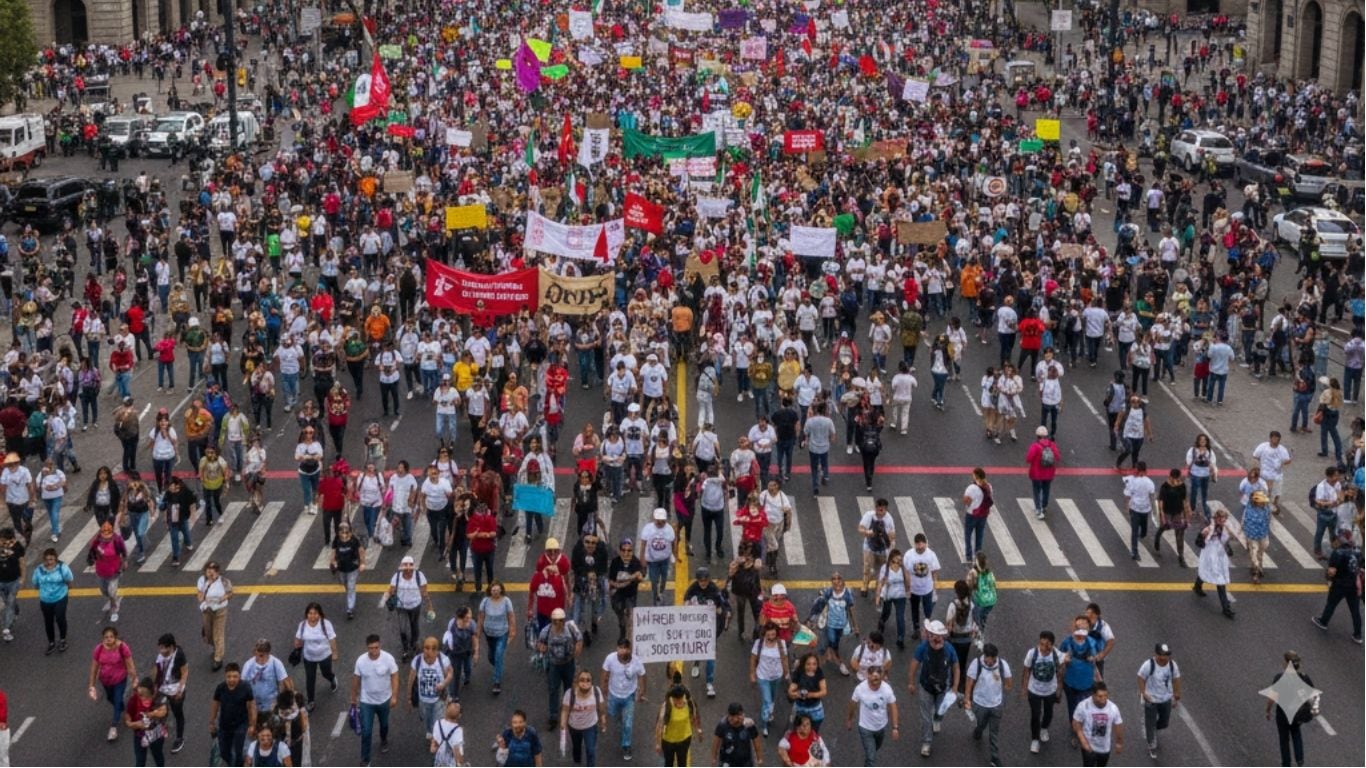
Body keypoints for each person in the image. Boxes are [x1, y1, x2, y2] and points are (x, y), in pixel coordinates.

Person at [907, 619, 957, 758]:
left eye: (938, 635)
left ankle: (937, 719)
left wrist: (955, 686)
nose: (935, 638)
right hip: (926, 687)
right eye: (932, 634)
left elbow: (956, 667)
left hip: (943, 687)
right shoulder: (922, 648)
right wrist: (911, 682)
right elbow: (913, 665)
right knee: (925, 717)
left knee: (940, 710)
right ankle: (927, 742)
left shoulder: (949, 649)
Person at [351, 634, 399, 766]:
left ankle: (383, 739)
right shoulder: (361, 661)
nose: (374, 651)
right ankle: (365, 760)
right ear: (367, 648)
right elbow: (356, 679)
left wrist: (394, 696)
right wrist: (353, 699)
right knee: (366, 731)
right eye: (371, 648)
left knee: (384, 725)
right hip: (367, 701)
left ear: (380, 645)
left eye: (376, 647)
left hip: (384, 700)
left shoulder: (388, 659)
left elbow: (394, 676)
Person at [964, 642, 1012, 766]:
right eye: (987, 660)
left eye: (992, 660)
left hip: (996, 705)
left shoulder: (1002, 665)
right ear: (984, 656)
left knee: (994, 733)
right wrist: (967, 699)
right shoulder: (977, 664)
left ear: (996, 657)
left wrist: (1003, 689)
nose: (990, 663)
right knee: (981, 723)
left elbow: (1008, 684)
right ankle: (978, 730)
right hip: (980, 703)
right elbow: (969, 682)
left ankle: (994, 758)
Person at [1311, 529, 1363, 643]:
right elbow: (1360, 566)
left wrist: (1328, 575)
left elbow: (1332, 571)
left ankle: (1323, 622)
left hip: (1340, 585)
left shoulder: (1338, 552)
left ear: (1340, 540)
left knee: (1331, 604)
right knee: (1355, 611)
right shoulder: (1357, 551)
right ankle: (1358, 635)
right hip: (1354, 585)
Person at [683, 567, 729, 695]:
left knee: (710, 656)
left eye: (705, 580)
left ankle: (709, 682)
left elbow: (722, 608)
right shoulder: (693, 588)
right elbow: (686, 599)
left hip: (711, 628)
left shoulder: (715, 590)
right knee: (698, 647)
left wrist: (716, 610)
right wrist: (687, 605)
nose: (703, 583)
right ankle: (696, 663)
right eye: (700, 581)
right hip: (696, 627)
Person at [1265, 651, 1315, 767]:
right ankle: (1300, 760)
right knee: (1296, 734)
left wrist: (1268, 711)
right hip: (1298, 714)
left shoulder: (1280, 678)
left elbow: (1272, 698)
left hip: (1283, 714)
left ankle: (1286, 764)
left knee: (1284, 740)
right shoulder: (1304, 677)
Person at [601, 637, 647, 761]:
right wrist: (603, 688)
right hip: (613, 695)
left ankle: (626, 745)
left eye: (625, 648)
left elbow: (642, 675)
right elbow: (605, 673)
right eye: (620, 648)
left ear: (629, 649)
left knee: (627, 723)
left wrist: (641, 691)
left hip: (629, 696)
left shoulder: (636, 661)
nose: (622, 651)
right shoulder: (610, 659)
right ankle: (621, 729)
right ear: (617, 649)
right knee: (614, 717)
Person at [87, 626, 136, 743]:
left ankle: (113, 728)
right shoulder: (99, 649)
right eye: (106, 637)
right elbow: (94, 668)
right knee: (111, 698)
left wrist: (134, 678)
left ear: (115, 637)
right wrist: (91, 685)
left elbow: (130, 664)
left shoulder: (122, 648)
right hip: (105, 681)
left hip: (120, 679)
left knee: (118, 699)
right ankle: (125, 710)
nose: (108, 639)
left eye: (111, 637)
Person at [538, 608, 583, 729]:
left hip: (568, 663)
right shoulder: (546, 631)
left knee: (569, 688)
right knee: (553, 690)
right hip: (554, 665)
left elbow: (579, 639)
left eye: (560, 620)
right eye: (555, 621)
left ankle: (569, 711)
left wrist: (576, 653)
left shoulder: (571, 627)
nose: (558, 623)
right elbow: (540, 643)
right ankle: (553, 716)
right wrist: (541, 648)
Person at [846, 664, 898, 766]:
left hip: (881, 727)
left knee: (874, 750)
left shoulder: (887, 689)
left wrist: (895, 727)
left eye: (878, 679)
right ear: (868, 676)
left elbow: (893, 707)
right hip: (865, 728)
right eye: (873, 678)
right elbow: (853, 704)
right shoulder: (860, 689)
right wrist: (849, 719)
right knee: (871, 757)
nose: (875, 682)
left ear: (881, 678)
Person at [1022, 630, 1065, 754]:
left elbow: (1060, 673)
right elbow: (1026, 670)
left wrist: (1059, 690)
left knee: (1049, 713)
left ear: (1051, 644)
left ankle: (1044, 728)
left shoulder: (1057, 654)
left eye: (1045, 644)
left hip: (1050, 691)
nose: (1042, 647)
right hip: (1034, 690)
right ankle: (1035, 739)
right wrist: (1024, 688)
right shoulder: (1032, 653)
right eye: (1040, 643)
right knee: (1035, 715)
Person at [385, 555, 435, 661]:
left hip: (415, 606)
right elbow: (391, 590)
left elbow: (424, 593)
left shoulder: (419, 576)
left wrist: (430, 607)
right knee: (403, 628)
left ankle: (413, 643)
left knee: (414, 625)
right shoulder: (397, 576)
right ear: (401, 567)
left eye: (410, 565)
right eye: (405, 565)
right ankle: (405, 649)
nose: (408, 568)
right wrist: (388, 598)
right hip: (401, 607)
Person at [809, 573, 859, 676]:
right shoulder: (829, 592)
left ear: (842, 581)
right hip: (830, 624)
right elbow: (820, 605)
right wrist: (813, 621)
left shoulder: (847, 594)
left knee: (835, 641)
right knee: (830, 643)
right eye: (834, 579)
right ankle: (837, 662)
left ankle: (830, 653)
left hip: (841, 625)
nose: (836, 581)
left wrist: (855, 625)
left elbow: (851, 609)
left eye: (838, 578)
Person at [1136, 643, 1182, 759]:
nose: (1164, 657)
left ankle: (1152, 729)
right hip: (1151, 699)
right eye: (1162, 655)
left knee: (1164, 722)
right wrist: (1143, 692)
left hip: (1165, 698)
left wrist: (1176, 695)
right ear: (1156, 654)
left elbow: (1176, 679)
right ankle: (1151, 743)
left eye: (1167, 655)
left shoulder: (1172, 665)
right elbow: (1141, 677)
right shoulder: (1149, 665)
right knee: (1150, 722)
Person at [292, 602, 339, 711]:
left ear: (320, 614)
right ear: (306, 614)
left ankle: (332, 678)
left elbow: (332, 638)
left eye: (315, 613)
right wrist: (297, 645)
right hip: (309, 657)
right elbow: (298, 637)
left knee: (325, 672)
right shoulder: (303, 625)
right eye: (310, 613)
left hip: (324, 655)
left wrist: (335, 652)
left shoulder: (325, 624)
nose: (312, 616)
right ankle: (311, 701)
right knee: (310, 678)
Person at [210, 663, 256, 768]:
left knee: (238, 752)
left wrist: (252, 724)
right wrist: (211, 722)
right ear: (225, 676)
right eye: (229, 677)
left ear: (239, 676)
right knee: (223, 752)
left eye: (235, 676)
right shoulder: (220, 688)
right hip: (224, 725)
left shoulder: (246, 687)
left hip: (241, 725)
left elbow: (252, 707)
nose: (232, 679)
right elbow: (215, 705)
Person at [1193, 507, 1236, 618]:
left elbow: (1226, 541)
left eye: (1224, 519)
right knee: (1219, 580)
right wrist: (1205, 536)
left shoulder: (1224, 528)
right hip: (1210, 555)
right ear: (1216, 519)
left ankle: (1197, 586)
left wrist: (1228, 548)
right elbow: (1199, 542)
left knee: (1208, 573)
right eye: (1221, 519)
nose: (1223, 521)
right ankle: (1226, 608)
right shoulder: (1208, 529)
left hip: (1219, 555)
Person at [749, 622, 790, 736]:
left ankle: (769, 712)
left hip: (777, 676)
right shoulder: (759, 643)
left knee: (772, 699)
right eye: (769, 635)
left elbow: (784, 659)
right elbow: (753, 659)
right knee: (767, 701)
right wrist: (752, 674)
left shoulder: (781, 644)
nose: (771, 637)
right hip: (763, 676)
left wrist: (787, 674)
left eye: (773, 634)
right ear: (765, 634)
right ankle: (764, 724)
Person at [559, 669, 607, 767]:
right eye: (582, 680)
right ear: (577, 682)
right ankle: (577, 761)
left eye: (588, 680)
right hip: (574, 727)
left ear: (592, 682)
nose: (585, 683)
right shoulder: (570, 694)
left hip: (591, 726)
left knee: (591, 750)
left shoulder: (596, 692)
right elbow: (565, 710)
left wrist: (603, 720)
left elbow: (601, 708)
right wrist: (563, 723)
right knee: (576, 746)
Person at [1072, 682, 1124, 767]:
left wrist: (1119, 742)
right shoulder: (1083, 706)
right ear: (1093, 695)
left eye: (1105, 695)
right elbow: (1076, 723)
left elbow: (1118, 725)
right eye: (1100, 696)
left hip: (1104, 747)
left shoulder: (1113, 708)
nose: (1103, 699)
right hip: (1088, 746)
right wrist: (1083, 740)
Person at [409, 636, 453, 736]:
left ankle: (436, 736)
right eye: (427, 648)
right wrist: (409, 696)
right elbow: (411, 679)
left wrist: (444, 683)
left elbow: (450, 673)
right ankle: (429, 731)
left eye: (433, 648)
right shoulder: (417, 661)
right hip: (423, 699)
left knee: (438, 721)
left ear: (437, 650)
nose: (430, 651)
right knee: (427, 718)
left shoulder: (443, 660)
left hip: (439, 698)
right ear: (423, 648)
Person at [479, 581, 517, 695]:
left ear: (501, 590)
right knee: (491, 656)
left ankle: (496, 682)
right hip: (489, 633)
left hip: (502, 633)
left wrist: (512, 630)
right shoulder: (485, 601)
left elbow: (511, 616)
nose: (494, 592)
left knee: (499, 653)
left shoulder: (506, 601)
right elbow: (481, 617)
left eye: (496, 590)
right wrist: (477, 631)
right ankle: (498, 667)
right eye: (493, 590)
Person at [31, 547, 72, 654]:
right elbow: (35, 584)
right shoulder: (38, 570)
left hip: (60, 597)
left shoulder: (63, 568)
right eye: (46, 559)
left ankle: (62, 640)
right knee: (48, 621)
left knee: (60, 618)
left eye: (51, 559)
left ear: (56, 559)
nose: (48, 562)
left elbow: (69, 581)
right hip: (45, 600)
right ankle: (51, 642)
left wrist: (64, 591)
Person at [152, 634, 188, 754]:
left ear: (171, 647)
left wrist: (180, 690)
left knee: (178, 714)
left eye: (163, 648)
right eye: (160, 648)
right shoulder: (161, 656)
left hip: (175, 690)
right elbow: (157, 671)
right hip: (163, 688)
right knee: (159, 709)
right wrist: (154, 686)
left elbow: (184, 673)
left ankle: (179, 738)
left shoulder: (179, 656)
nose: (161, 651)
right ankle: (162, 726)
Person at [124, 676, 169, 767]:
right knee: (140, 762)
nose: (140, 697)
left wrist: (151, 714)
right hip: (139, 735)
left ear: (152, 694)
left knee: (158, 756)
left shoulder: (159, 698)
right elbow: (127, 720)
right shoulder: (134, 700)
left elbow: (163, 712)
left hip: (156, 734)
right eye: (139, 693)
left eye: (143, 695)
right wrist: (135, 725)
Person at [196, 562, 232, 670]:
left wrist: (222, 598)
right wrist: (202, 601)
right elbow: (199, 593)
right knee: (209, 634)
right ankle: (216, 647)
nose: (210, 574)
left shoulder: (224, 582)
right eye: (208, 572)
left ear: (217, 572)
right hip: (207, 610)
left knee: (218, 633)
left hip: (220, 610)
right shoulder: (202, 581)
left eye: (213, 572)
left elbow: (230, 593)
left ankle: (218, 658)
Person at [857, 499, 896, 597]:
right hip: (869, 546)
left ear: (886, 509)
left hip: (882, 548)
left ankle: (878, 586)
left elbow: (893, 534)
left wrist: (890, 543)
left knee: (880, 570)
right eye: (877, 509)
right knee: (868, 568)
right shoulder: (869, 516)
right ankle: (865, 585)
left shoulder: (889, 519)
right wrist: (867, 533)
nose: (878, 512)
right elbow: (860, 528)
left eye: (881, 510)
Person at [638, 507, 676, 604]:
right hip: (652, 561)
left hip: (664, 560)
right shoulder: (648, 529)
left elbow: (673, 543)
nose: (660, 523)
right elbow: (643, 544)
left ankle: (661, 592)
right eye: (658, 520)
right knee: (654, 580)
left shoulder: (669, 529)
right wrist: (642, 559)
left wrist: (674, 554)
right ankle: (655, 596)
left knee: (664, 579)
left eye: (662, 521)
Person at [1154, 469, 1192, 564]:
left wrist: (1186, 515)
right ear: (1170, 477)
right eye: (1175, 478)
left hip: (1177, 512)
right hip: (1166, 512)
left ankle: (1181, 555)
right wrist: (1162, 515)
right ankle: (1157, 540)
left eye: (1178, 478)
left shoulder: (1182, 486)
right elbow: (1161, 502)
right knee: (1163, 527)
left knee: (1179, 533)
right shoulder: (1165, 486)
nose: (1176, 480)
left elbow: (1184, 501)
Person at [874, 549, 910, 649]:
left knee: (900, 617)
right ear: (892, 558)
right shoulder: (885, 568)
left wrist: (904, 569)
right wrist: (877, 597)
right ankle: (881, 623)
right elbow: (880, 583)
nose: (899, 560)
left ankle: (900, 638)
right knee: (886, 612)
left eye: (900, 559)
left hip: (900, 596)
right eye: (897, 558)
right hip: (888, 596)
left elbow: (908, 582)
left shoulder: (903, 568)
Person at [329, 522, 364, 619]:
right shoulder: (336, 540)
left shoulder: (354, 540)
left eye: (346, 532)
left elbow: (361, 551)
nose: (344, 534)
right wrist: (333, 562)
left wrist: (362, 563)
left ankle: (350, 609)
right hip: (341, 568)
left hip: (353, 567)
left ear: (350, 532)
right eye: (342, 532)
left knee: (351, 586)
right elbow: (334, 552)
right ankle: (350, 595)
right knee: (344, 583)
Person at [711, 702, 763, 767]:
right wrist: (713, 759)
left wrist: (759, 759)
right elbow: (716, 743)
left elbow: (757, 743)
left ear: (743, 714)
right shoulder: (722, 725)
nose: (735, 720)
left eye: (738, 716)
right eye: (732, 717)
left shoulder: (749, 725)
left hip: (745, 763)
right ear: (728, 715)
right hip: (727, 762)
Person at [1252, 431, 1292, 514]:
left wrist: (1282, 463)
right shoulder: (1263, 447)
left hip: (1277, 475)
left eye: (1278, 440)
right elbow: (1255, 456)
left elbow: (1288, 460)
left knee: (1277, 492)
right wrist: (1257, 467)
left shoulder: (1282, 449)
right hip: (1264, 475)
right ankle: (1260, 507)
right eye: (1274, 439)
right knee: (1262, 492)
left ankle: (1274, 505)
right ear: (1270, 439)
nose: (1276, 442)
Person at [787, 652, 829, 733]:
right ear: (804, 664)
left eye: (814, 664)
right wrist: (793, 693)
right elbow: (792, 687)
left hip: (815, 709)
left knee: (813, 732)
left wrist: (810, 695)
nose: (811, 667)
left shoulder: (819, 672)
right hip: (800, 708)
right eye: (808, 664)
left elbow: (824, 691)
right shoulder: (799, 672)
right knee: (797, 730)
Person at [1123, 462, 1157, 560]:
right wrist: (1154, 509)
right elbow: (1152, 496)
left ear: (1137, 470)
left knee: (1135, 530)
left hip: (1135, 508)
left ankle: (1135, 551)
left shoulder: (1132, 481)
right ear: (1146, 471)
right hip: (1144, 509)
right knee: (1141, 529)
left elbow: (1128, 495)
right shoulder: (1150, 482)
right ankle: (1134, 551)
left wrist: (1127, 506)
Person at [1025, 426, 1060, 519]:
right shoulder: (1052, 445)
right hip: (1049, 473)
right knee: (1046, 490)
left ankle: (1038, 509)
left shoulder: (1035, 446)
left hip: (1036, 474)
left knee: (1037, 491)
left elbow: (1028, 459)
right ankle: (1044, 506)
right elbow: (1057, 457)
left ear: (1037, 436)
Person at [961, 467, 995, 562]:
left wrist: (971, 503)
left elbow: (966, 501)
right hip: (983, 515)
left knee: (968, 535)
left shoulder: (972, 488)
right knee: (979, 535)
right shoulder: (988, 486)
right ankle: (978, 555)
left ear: (976, 476)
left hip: (972, 514)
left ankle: (968, 556)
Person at [802, 402, 836, 495]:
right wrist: (831, 439)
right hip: (824, 447)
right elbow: (833, 434)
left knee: (814, 468)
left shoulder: (810, 421)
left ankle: (815, 486)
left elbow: (805, 432)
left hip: (813, 447)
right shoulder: (828, 421)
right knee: (824, 463)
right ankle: (825, 475)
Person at [1244, 490, 1275, 584]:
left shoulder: (1266, 508)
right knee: (1254, 554)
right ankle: (1256, 573)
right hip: (1252, 536)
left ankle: (1258, 567)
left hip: (1263, 534)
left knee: (1260, 553)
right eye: (1262, 502)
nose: (1263, 503)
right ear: (1256, 502)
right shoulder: (1249, 510)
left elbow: (1269, 516)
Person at [1113, 395, 1151, 470]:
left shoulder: (1142, 411)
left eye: (1137, 402)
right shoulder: (1126, 409)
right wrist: (1117, 424)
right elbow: (1120, 415)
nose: (1135, 404)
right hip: (1126, 433)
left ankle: (1135, 466)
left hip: (1139, 435)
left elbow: (1147, 422)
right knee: (1128, 449)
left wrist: (1149, 434)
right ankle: (1118, 464)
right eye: (1133, 402)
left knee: (1136, 451)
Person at [429, 700, 466, 768]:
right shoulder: (458, 731)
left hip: (439, 759)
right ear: (459, 716)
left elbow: (433, 746)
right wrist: (462, 764)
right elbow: (457, 753)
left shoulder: (437, 723)